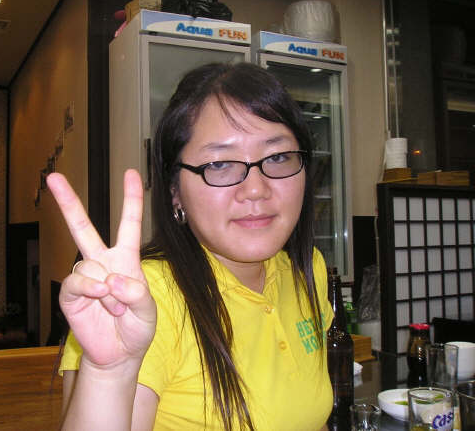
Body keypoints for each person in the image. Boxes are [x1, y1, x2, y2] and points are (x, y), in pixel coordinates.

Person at [48, 62, 333, 431]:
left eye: (278, 157)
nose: (256, 189)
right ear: (175, 192)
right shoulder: (142, 298)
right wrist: (110, 374)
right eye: (220, 164)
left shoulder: (308, 269)